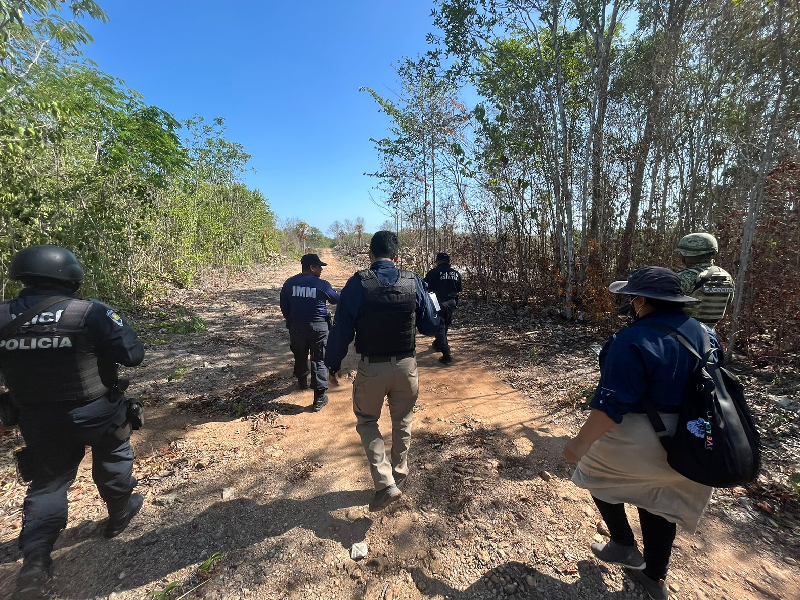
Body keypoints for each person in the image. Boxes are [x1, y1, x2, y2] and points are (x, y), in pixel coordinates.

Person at [0, 245, 145, 600]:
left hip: (37, 418)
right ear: (72, 276)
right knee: (113, 456)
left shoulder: (2, 316)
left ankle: (34, 563)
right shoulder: (90, 313)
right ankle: (118, 513)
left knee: (48, 483)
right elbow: (133, 355)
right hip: (97, 410)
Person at [563, 267, 715, 600]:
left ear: (642, 300)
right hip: (694, 441)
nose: (631, 303)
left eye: (632, 297)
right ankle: (655, 578)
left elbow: (608, 408)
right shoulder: (705, 333)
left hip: (641, 439)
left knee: (591, 473)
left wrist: (578, 445)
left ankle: (622, 542)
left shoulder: (630, 339)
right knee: (660, 500)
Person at [325, 231, 439, 511]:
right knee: (402, 421)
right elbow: (430, 326)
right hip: (406, 367)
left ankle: (385, 482)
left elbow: (341, 330)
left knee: (366, 421)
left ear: (370, 255)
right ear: (396, 257)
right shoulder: (413, 281)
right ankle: (398, 477)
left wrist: (333, 363)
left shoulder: (357, 284)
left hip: (372, 369)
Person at [279, 253, 339, 411]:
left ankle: (302, 381)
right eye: (319, 267)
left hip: (297, 326)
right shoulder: (322, 284)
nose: (321, 270)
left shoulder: (289, 283)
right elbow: (335, 299)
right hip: (319, 327)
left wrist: (291, 320)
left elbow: (284, 305)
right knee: (319, 359)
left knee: (299, 354)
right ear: (312, 267)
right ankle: (319, 399)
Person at [675, 232, 735, 327]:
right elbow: (728, 302)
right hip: (709, 335)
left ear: (686, 254)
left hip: (683, 333)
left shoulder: (683, 277)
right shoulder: (726, 276)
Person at [423, 252, 462, 364]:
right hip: (452, 302)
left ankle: (446, 354)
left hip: (437, 301)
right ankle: (438, 343)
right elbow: (458, 290)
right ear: (448, 261)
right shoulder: (456, 273)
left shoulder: (433, 272)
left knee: (439, 326)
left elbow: (425, 287)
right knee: (445, 324)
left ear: (438, 261)